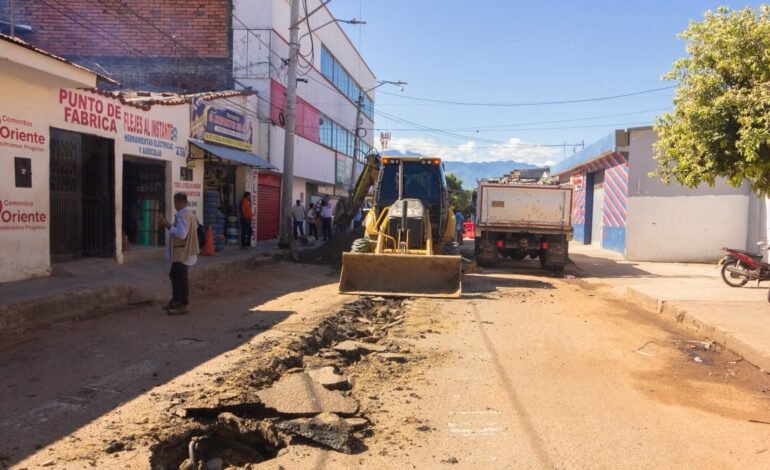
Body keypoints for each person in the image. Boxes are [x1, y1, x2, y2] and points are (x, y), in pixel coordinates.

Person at [159, 193, 199, 315]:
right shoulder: (187, 214)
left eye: (175, 202)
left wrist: (167, 225)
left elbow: (181, 234)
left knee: (181, 278)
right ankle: (176, 300)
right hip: (181, 252)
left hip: (182, 253)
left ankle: (183, 303)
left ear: (179, 202)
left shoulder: (184, 215)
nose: (174, 205)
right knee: (174, 275)